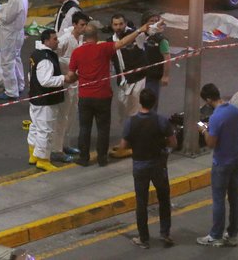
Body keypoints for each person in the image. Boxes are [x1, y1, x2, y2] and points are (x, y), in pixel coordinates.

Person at [66, 20, 149, 167]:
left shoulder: (77, 52)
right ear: (96, 36)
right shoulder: (104, 48)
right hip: (103, 96)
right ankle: (102, 159)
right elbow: (123, 42)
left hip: (85, 96)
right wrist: (139, 30)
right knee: (103, 128)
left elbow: (71, 76)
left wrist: (78, 77)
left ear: (84, 37)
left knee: (84, 128)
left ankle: (84, 158)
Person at [119, 89, 176, 249]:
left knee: (141, 202)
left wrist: (134, 144)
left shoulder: (131, 122)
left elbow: (123, 146)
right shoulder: (161, 120)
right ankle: (165, 233)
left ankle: (143, 238)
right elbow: (173, 142)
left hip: (140, 165)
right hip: (158, 164)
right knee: (164, 198)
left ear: (140, 102)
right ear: (154, 102)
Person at [196, 83, 238, 247]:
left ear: (209, 100)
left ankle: (216, 235)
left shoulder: (216, 117)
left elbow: (210, 143)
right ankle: (232, 235)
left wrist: (203, 130)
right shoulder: (235, 109)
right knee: (234, 198)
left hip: (222, 163)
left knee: (218, 199)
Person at [108, 14, 148, 159]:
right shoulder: (111, 41)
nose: (118, 27)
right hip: (123, 83)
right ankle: (127, 141)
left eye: (120, 24)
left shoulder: (135, 36)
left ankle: (132, 144)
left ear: (125, 23)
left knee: (135, 114)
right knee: (123, 114)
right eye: (115, 24)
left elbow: (146, 35)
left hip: (137, 81)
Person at [27, 29, 67, 172]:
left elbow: (30, 76)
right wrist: (64, 79)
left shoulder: (36, 54)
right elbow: (45, 80)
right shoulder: (46, 58)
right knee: (46, 130)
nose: (58, 41)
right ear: (46, 41)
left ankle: (33, 154)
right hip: (46, 100)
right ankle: (43, 159)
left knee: (35, 127)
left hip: (35, 98)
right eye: (55, 39)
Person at [52, 11, 89, 163]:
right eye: (82, 25)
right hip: (65, 83)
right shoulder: (65, 40)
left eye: (86, 25)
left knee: (71, 114)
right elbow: (54, 56)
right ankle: (56, 149)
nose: (84, 28)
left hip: (76, 83)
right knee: (62, 116)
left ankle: (65, 144)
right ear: (74, 24)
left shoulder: (80, 38)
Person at [141, 11, 171, 99]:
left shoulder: (161, 40)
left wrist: (165, 76)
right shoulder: (141, 36)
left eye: (156, 21)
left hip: (153, 77)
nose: (154, 23)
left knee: (150, 101)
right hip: (140, 76)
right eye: (151, 21)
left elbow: (167, 58)